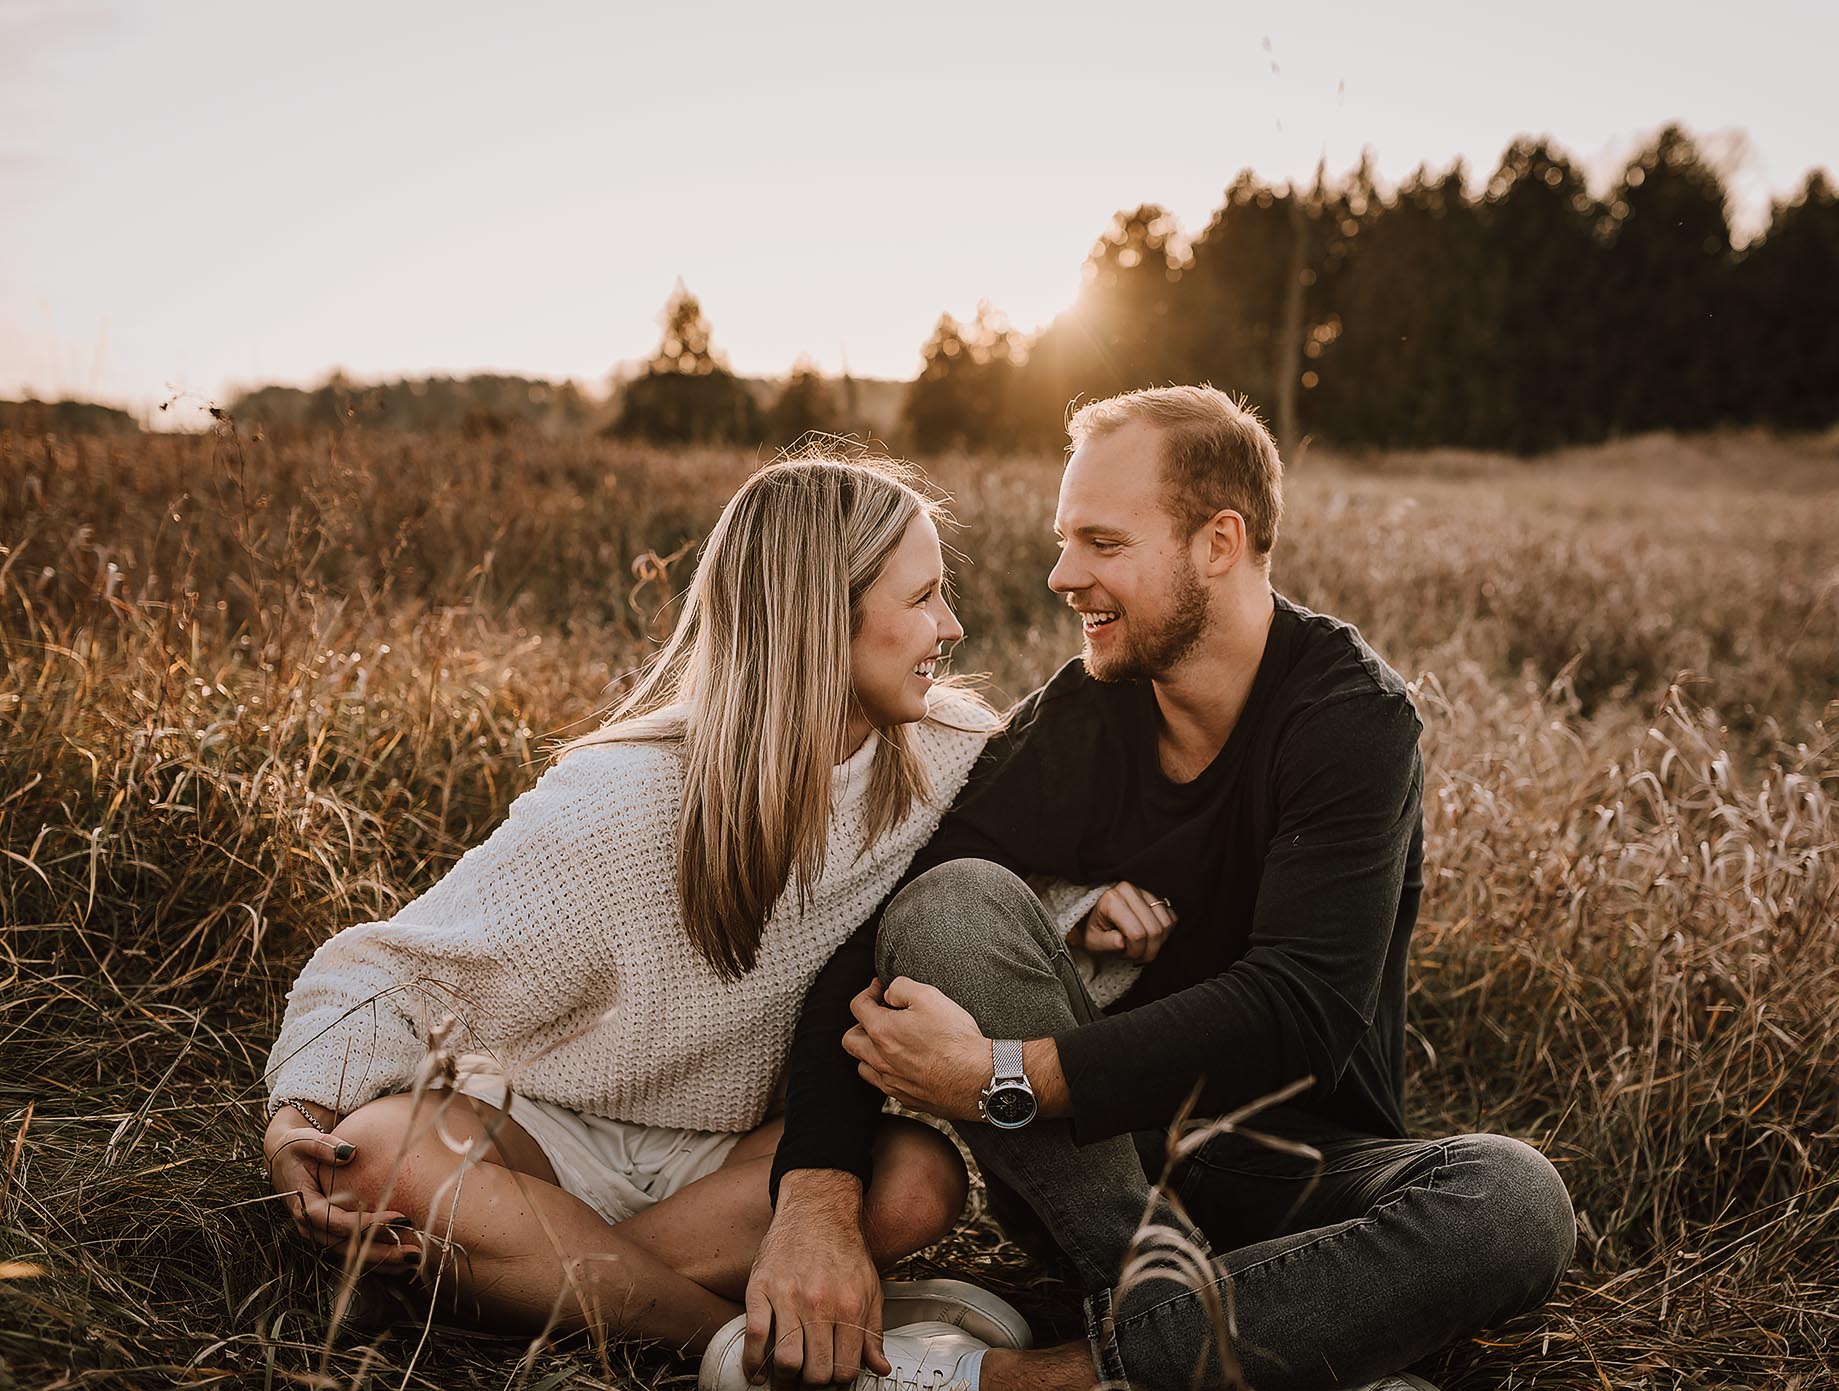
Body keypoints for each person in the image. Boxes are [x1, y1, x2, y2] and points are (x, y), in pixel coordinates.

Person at [719, 388, 1576, 1391]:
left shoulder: (1346, 718)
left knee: (1515, 1199)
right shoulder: (1085, 710)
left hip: (1293, 1172)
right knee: (947, 903)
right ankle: (1283, 1337)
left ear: (1218, 541)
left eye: (1100, 541)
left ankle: (1032, 1377)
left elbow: (1303, 1005)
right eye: (1062, 539)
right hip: (1095, 1172)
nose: (1061, 575)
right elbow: (874, 946)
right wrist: (814, 1196)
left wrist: (1005, 1076)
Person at [261, 457, 1029, 1360]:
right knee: (376, 1164)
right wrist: (295, 1115)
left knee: (915, 1182)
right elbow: (390, 970)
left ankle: (541, 1286)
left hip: (738, 1163)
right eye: (925, 597)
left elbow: (1036, 887)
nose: (953, 626)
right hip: (539, 1133)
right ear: (822, 616)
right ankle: (771, 1342)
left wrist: (1100, 901)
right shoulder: (619, 798)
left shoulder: (948, 756)